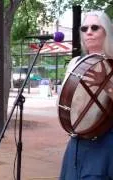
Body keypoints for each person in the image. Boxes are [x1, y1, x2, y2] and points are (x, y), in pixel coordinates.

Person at [59, 11, 113, 179]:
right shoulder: (76, 62)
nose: (88, 32)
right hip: (77, 138)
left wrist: (107, 85)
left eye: (95, 27)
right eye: (84, 28)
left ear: (106, 31)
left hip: (105, 139)